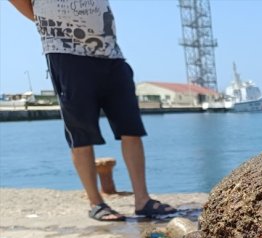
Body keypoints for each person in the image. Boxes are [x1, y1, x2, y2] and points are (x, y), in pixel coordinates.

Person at [9, 0, 176, 221]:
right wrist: (46, 20)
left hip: (110, 52)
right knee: (80, 133)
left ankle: (142, 200)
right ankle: (96, 203)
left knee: (131, 127)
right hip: (65, 52)